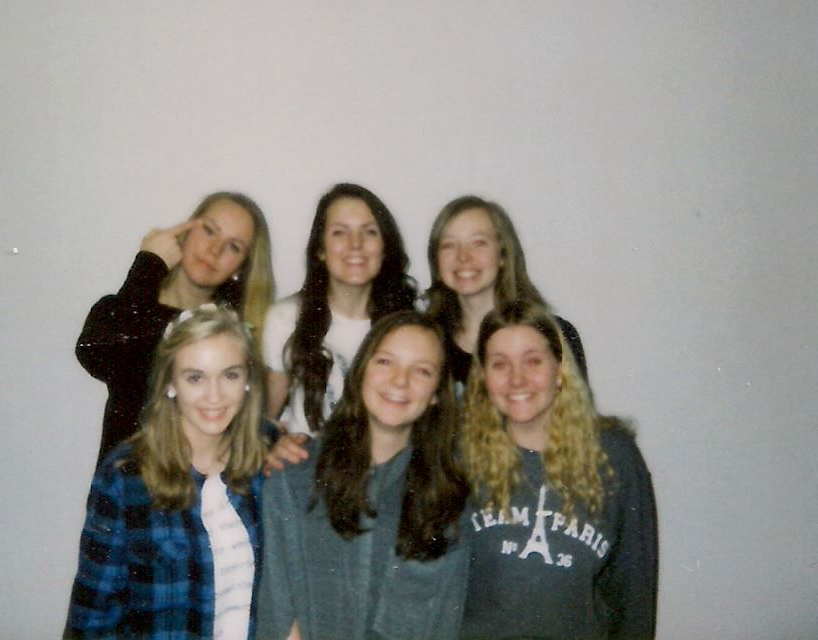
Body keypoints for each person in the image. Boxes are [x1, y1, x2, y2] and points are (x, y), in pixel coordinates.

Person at [256, 311, 470, 640]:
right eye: (385, 362)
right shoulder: (295, 478)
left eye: (422, 370)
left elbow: (445, 623)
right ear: (361, 371)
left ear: (438, 393)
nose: (400, 380)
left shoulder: (449, 496)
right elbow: (279, 617)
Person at [65, 305, 266, 639]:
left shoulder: (266, 464)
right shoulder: (126, 477)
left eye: (230, 375)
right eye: (195, 377)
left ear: (247, 381)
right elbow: (92, 619)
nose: (214, 395)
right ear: (171, 383)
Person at [460, 300, 657, 639]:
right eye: (500, 364)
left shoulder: (616, 458)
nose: (517, 379)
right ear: (482, 377)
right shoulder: (459, 456)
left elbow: (634, 597)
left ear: (560, 370)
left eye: (533, 361)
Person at [77, 192, 274, 464]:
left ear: (242, 266)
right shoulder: (130, 311)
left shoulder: (234, 336)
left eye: (234, 247)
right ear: (186, 230)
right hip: (125, 486)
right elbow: (95, 353)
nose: (215, 250)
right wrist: (149, 265)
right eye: (209, 231)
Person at [262, 183, 417, 467]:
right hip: (307, 470)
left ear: (385, 248)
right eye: (339, 232)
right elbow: (265, 420)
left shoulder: (410, 324)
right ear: (320, 250)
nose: (355, 244)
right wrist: (271, 446)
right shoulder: (285, 318)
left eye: (369, 232)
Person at [425, 195, 586, 388]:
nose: (463, 257)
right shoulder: (425, 343)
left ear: (503, 254)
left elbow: (575, 406)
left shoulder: (554, 335)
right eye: (449, 245)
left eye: (479, 243)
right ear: (436, 260)